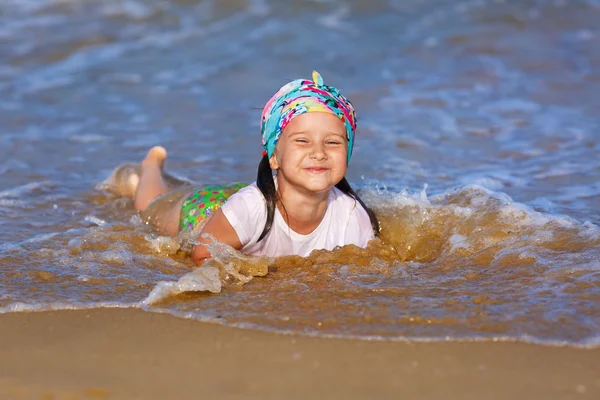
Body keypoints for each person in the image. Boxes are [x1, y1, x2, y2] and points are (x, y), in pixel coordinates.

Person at [107, 71, 379, 266]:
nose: (318, 153)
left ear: (348, 153)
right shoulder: (251, 208)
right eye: (302, 141)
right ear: (274, 157)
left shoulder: (352, 216)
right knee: (150, 207)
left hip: (244, 207)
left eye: (332, 142)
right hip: (203, 210)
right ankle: (151, 166)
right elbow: (202, 255)